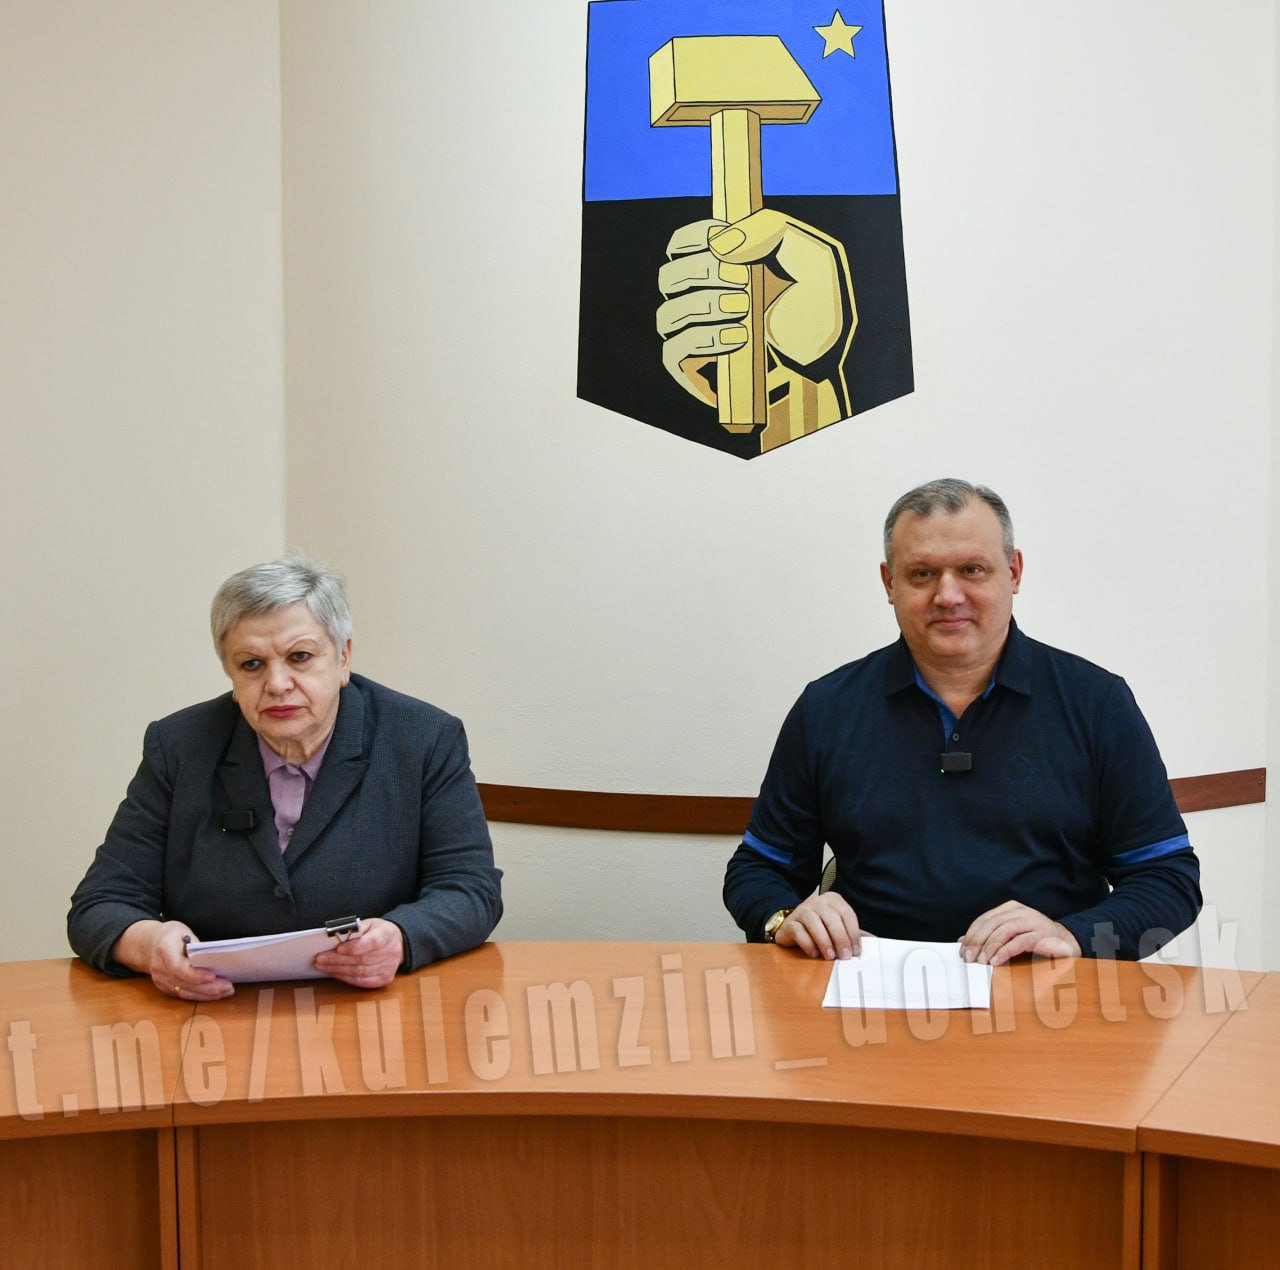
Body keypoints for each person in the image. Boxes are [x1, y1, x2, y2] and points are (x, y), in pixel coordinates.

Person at [723, 479, 1200, 965]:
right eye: (922, 574)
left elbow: (1168, 878)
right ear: (890, 584)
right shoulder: (826, 707)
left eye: (972, 569)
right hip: (869, 987)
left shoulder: (1097, 703)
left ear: (1013, 572)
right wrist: (782, 918)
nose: (948, 596)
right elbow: (759, 868)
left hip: (1048, 988)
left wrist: (1070, 935)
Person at [68, 554, 502, 1000]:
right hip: (214, 1008)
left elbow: (470, 890)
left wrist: (401, 937)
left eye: (300, 657)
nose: (277, 684)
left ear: (343, 658)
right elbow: (100, 903)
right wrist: (149, 945)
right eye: (251, 664)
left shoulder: (423, 739)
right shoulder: (180, 746)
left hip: (371, 1006)